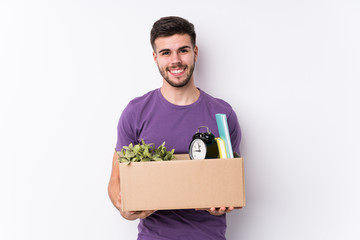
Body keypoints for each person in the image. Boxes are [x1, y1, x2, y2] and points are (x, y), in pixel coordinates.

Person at [108, 16, 242, 240]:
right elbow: (116, 181)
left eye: (183, 50)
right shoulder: (136, 112)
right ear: (155, 58)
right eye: (166, 52)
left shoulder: (223, 115)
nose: (176, 60)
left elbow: (231, 181)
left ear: (195, 53)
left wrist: (226, 202)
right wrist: (126, 208)